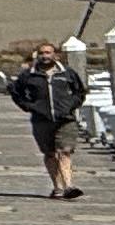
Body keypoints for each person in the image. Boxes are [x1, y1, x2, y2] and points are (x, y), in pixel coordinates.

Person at [8, 39, 86, 197]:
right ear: (37, 56)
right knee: (50, 153)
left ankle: (69, 186)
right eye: (42, 53)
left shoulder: (67, 73)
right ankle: (58, 187)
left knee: (65, 151)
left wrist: (70, 105)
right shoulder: (29, 75)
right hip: (41, 120)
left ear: (55, 55)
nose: (45, 56)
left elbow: (80, 92)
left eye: (48, 53)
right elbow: (16, 92)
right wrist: (29, 106)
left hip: (65, 119)